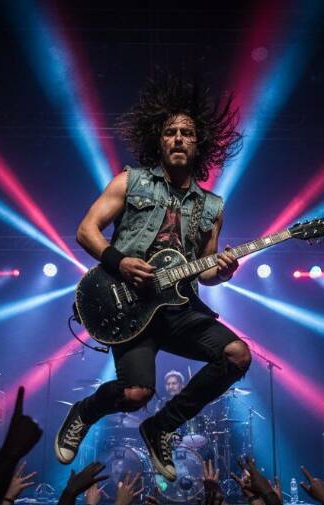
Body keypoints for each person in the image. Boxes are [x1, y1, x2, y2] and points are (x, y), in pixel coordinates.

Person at [55, 75, 250, 481]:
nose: (178, 138)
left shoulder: (212, 206)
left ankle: (161, 426)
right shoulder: (131, 181)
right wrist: (119, 261)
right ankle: (85, 411)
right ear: (159, 141)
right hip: (129, 302)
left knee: (236, 355)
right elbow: (86, 229)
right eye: (170, 132)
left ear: (199, 144)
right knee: (135, 394)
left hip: (179, 308)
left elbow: (207, 268)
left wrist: (224, 271)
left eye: (187, 133)